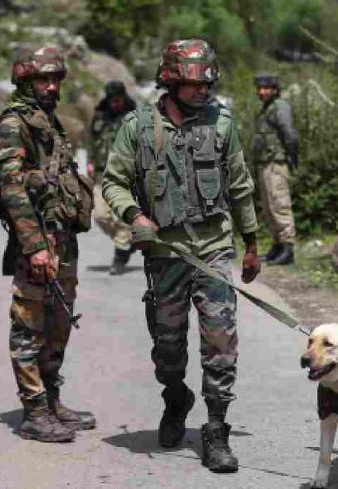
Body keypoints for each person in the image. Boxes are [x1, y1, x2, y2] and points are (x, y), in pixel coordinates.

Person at [101, 39, 260, 473]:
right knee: (168, 347)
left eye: (208, 83)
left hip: (212, 249)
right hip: (166, 253)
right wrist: (135, 215)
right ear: (169, 81)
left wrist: (251, 245)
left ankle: (216, 429)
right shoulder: (137, 127)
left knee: (220, 343)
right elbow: (112, 182)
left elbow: (241, 186)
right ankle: (175, 397)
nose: (203, 91)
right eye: (193, 84)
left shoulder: (223, 124)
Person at [0, 46, 96, 442]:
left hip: (62, 237)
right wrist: (34, 245)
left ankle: (52, 399)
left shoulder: (47, 120)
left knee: (59, 321)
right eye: (43, 80)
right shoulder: (13, 124)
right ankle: (34, 410)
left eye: (56, 80)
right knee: (30, 323)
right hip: (37, 239)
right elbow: (13, 189)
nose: (51, 86)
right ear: (24, 80)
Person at [89, 80, 136, 275]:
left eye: (118, 100)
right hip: (101, 174)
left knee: (122, 219)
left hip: (125, 175)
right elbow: (91, 141)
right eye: (111, 100)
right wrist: (90, 161)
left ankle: (120, 255)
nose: (115, 104)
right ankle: (125, 240)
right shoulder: (99, 117)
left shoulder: (134, 119)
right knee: (100, 215)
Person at [252, 74, 299, 265]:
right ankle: (278, 246)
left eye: (266, 88)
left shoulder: (280, 106)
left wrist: (293, 157)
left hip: (276, 164)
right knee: (269, 208)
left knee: (280, 206)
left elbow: (290, 134)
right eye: (259, 88)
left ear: (275, 89)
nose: (262, 92)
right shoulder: (267, 108)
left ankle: (287, 249)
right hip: (265, 163)